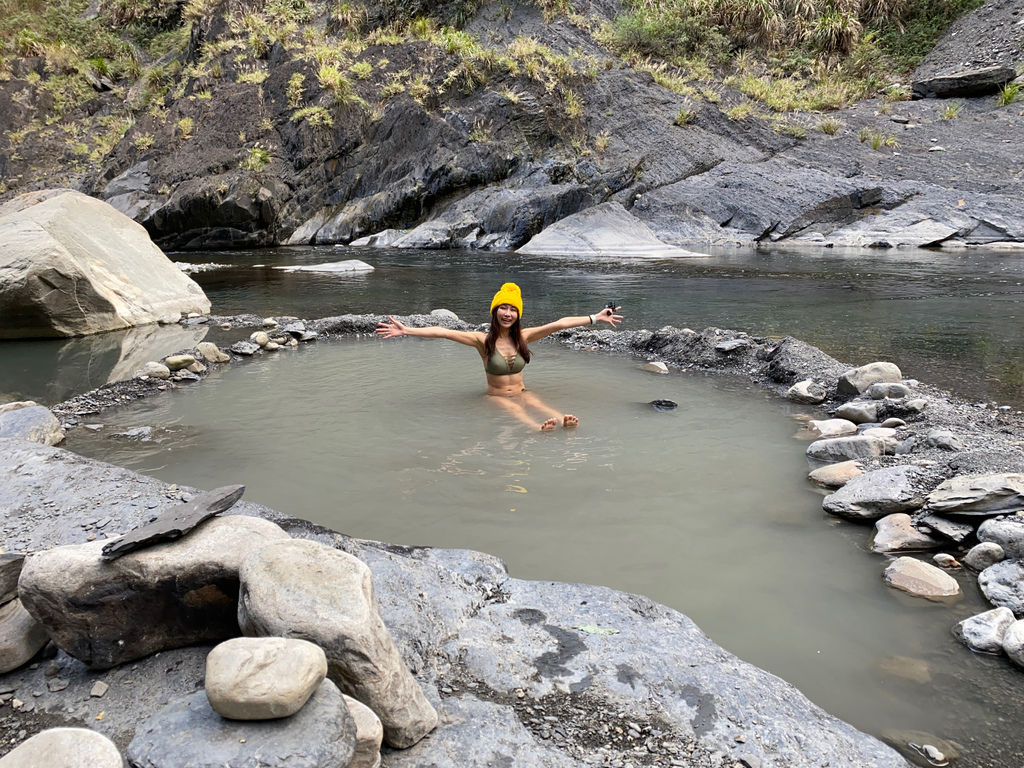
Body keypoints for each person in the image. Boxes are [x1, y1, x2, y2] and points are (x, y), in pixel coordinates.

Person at [376, 282, 623, 431]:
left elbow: (559, 324)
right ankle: (537, 428)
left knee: (539, 404)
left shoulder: (523, 337)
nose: (507, 313)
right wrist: (407, 329)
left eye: (513, 309)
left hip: (522, 391)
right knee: (516, 412)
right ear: (495, 312)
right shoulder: (482, 341)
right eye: (503, 308)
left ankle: (562, 420)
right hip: (496, 396)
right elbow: (444, 332)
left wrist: (595, 317)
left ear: (518, 314)